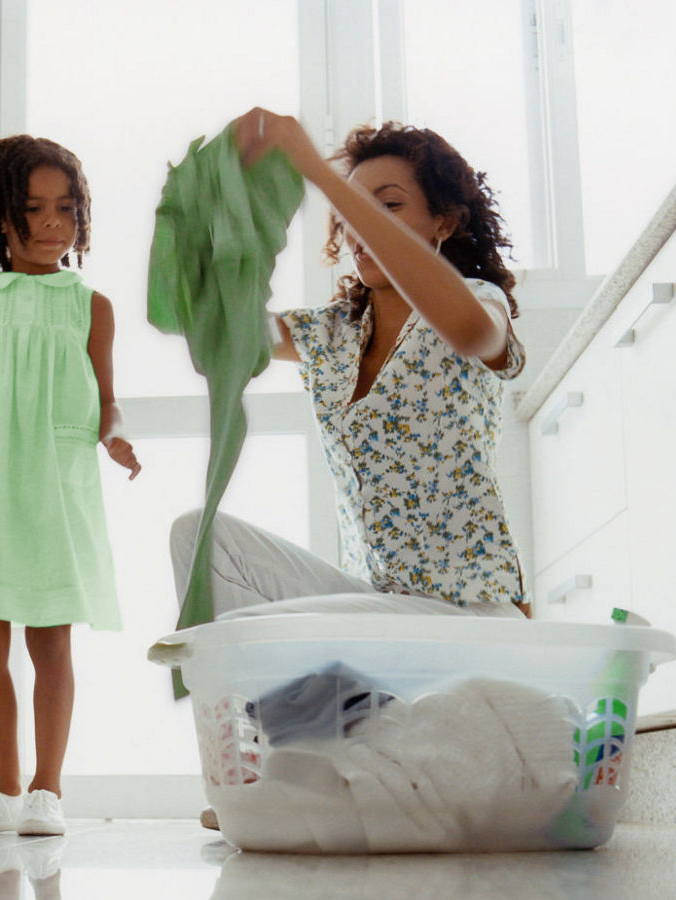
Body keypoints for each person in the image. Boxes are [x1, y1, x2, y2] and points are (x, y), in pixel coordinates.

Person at [174, 111, 530, 831]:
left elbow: (468, 330)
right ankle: (296, 766)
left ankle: (305, 774)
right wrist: (214, 193)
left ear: (445, 220)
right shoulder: (334, 337)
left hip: (469, 621)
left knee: (297, 632)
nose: (360, 224)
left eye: (386, 204)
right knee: (200, 538)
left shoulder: (478, 306)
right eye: (352, 209)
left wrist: (313, 164)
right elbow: (209, 320)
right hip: (381, 624)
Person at [0, 134, 141, 837]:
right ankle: (3, 788)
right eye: (33, 209)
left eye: (65, 209)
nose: (51, 224)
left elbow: (107, 398)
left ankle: (48, 789)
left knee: (51, 643)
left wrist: (116, 435)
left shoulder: (91, 307)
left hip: (55, 487)